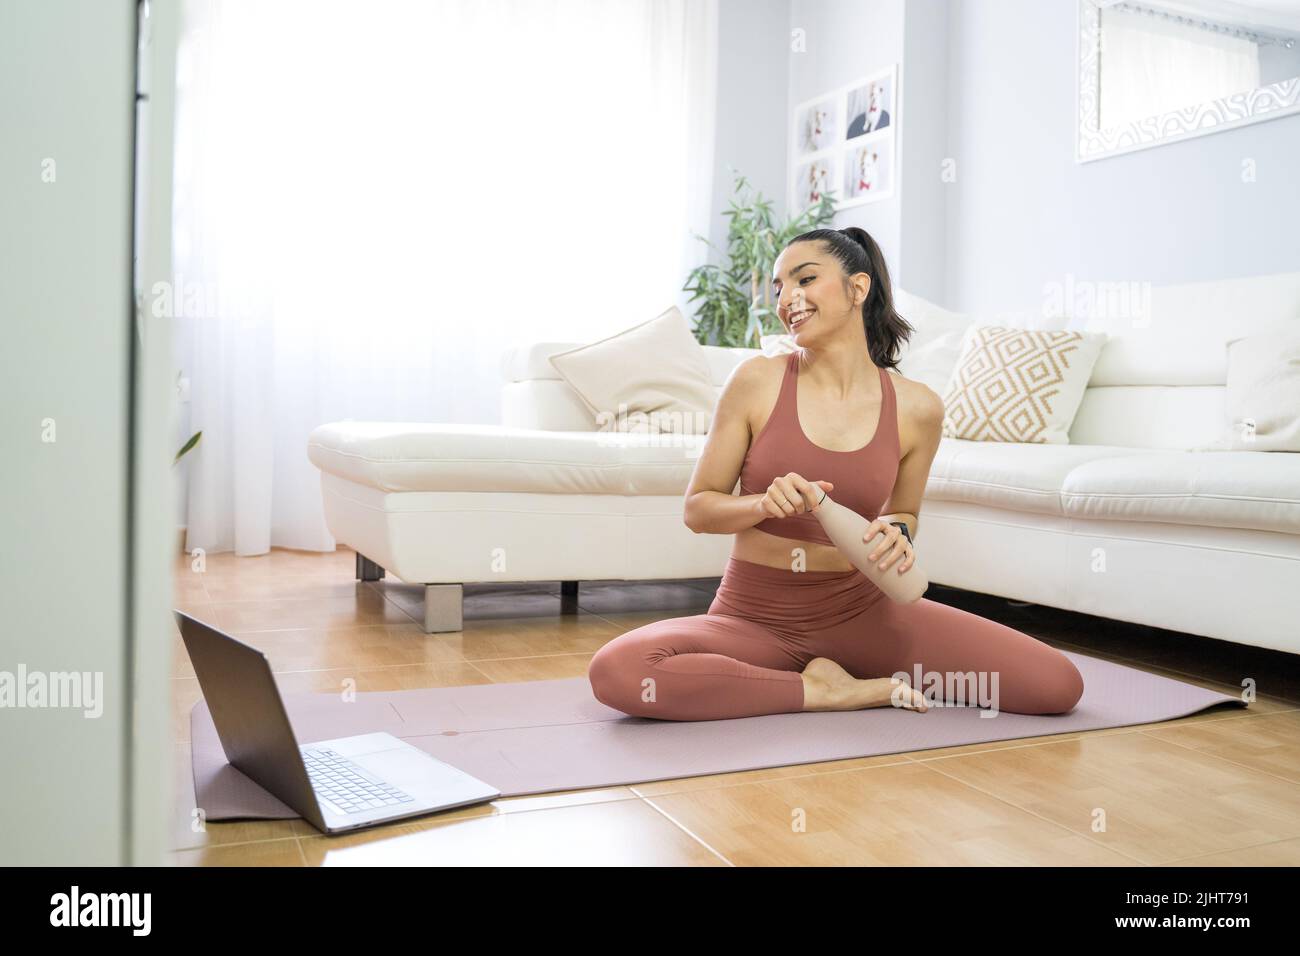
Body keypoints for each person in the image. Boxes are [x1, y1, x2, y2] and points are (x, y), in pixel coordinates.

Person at [587, 227, 1085, 721]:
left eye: (805, 279)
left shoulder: (918, 408)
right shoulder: (756, 381)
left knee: (1056, 686)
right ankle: (824, 690)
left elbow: (905, 511)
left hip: (864, 613)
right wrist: (761, 504)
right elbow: (699, 510)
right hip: (755, 617)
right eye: (779, 288)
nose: (787, 299)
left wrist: (899, 531)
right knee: (623, 671)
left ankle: (819, 677)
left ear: (858, 288)